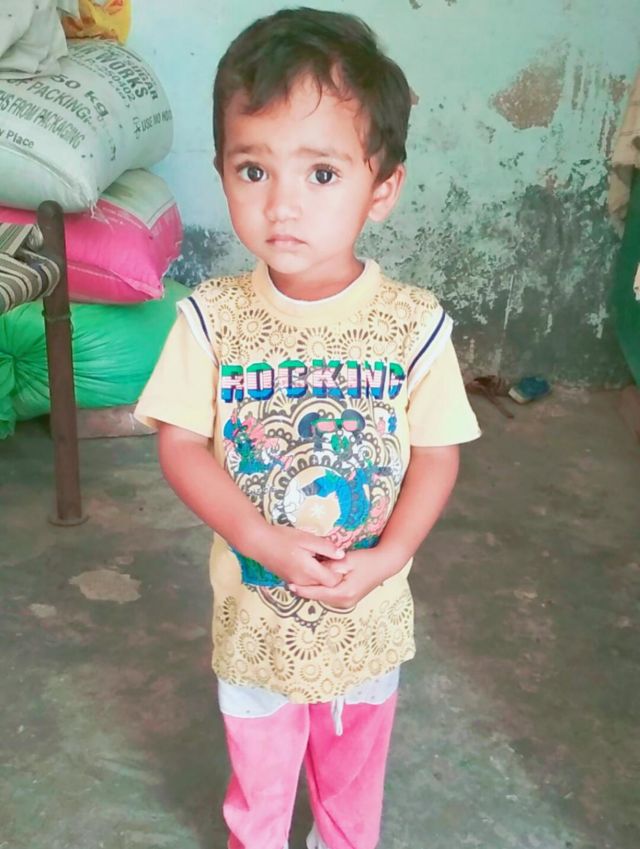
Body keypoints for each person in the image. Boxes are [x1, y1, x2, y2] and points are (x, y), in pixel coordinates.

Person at [135, 7, 480, 849]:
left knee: (352, 786)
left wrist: (389, 558)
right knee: (258, 783)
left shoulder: (414, 325)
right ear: (222, 172)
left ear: (382, 188)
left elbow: (436, 455)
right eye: (254, 169)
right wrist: (261, 538)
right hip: (256, 617)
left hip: (368, 613)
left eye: (322, 173)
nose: (282, 204)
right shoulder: (212, 319)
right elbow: (179, 443)